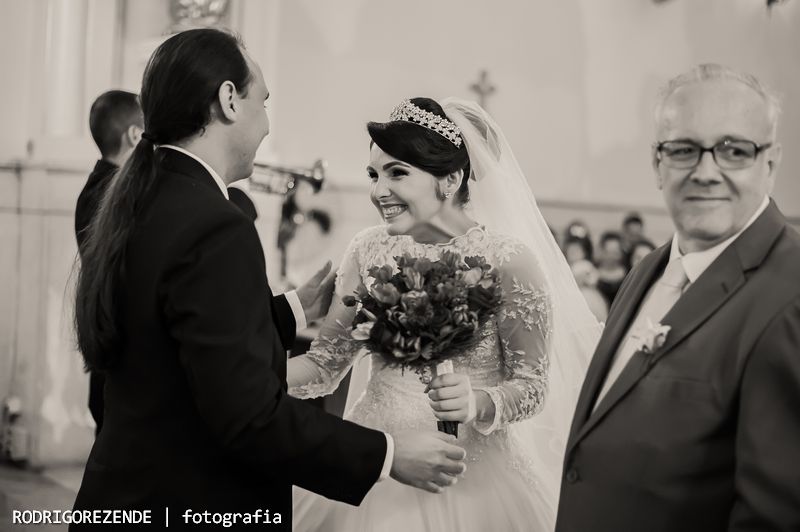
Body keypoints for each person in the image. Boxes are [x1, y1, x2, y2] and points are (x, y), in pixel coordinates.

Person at [72, 29, 465, 531]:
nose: (266, 123)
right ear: (229, 101)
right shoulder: (215, 224)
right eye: (264, 101)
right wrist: (387, 453)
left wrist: (293, 309)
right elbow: (248, 418)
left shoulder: (142, 197)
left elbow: (174, 337)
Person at [287, 97, 601, 531]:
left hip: (471, 480)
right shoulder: (368, 248)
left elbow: (531, 385)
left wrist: (478, 402)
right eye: (374, 174)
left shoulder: (507, 260)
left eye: (398, 173)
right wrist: (248, 378)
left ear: (451, 179)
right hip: (375, 460)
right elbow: (324, 365)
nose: (379, 191)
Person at [556, 64, 800, 531]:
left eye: (734, 151)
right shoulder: (649, 271)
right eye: (684, 150)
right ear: (657, 164)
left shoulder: (789, 296)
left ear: (769, 164)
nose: (706, 172)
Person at [75, 90, 144, 435]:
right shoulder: (109, 195)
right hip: (117, 363)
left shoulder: (97, 188)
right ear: (135, 135)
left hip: (110, 360)